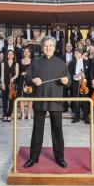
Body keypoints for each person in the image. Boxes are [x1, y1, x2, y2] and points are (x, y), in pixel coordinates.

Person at [23, 36, 70, 169]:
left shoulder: (61, 63)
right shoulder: (36, 62)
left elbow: (69, 80)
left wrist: (66, 81)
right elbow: (27, 78)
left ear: (54, 48)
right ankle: (33, 157)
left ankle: (60, 158)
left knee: (57, 130)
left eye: (50, 46)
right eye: (46, 46)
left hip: (56, 100)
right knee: (37, 130)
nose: (48, 48)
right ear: (42, 48)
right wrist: (33, 80)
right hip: (40, 99)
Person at [67, 48, 89, 123]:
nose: (75, 55)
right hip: (75, 83)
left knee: (84, 100)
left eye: (77, 53)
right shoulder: (72, 63)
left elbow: (89, 73)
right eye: (75, 53)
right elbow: (69, 73)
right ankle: (77, 116)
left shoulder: (86, 62)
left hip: (83, 83)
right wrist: (74, 76)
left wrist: (84, 75)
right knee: (75, 100)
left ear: (80, 54)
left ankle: (86, 117)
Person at [0, 50, 19, 122]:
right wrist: (2, 83)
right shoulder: (3, 63)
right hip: (5, 82)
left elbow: (17, 74)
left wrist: (12, 79)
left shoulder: (16, 63)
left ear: (13, 55)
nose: (10, 55)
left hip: (13, 83)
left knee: (12, 99)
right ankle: (5, 114)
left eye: (11, 54)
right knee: (4, 99)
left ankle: (9, 115)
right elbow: (2, 73)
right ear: (7, 55)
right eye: (8, 54)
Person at [17, 47, 34, 120]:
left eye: (27, 51)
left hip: (29, 82)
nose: (26, 53)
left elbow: (34, 72)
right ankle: (23, 113)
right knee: (21, 98)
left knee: (29, 98)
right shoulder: (20, 61)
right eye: (25, 51)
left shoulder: (32, 61)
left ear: (30, 53)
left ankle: (29, 113)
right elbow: (17, 73)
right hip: (21, 81)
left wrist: (27, 73)